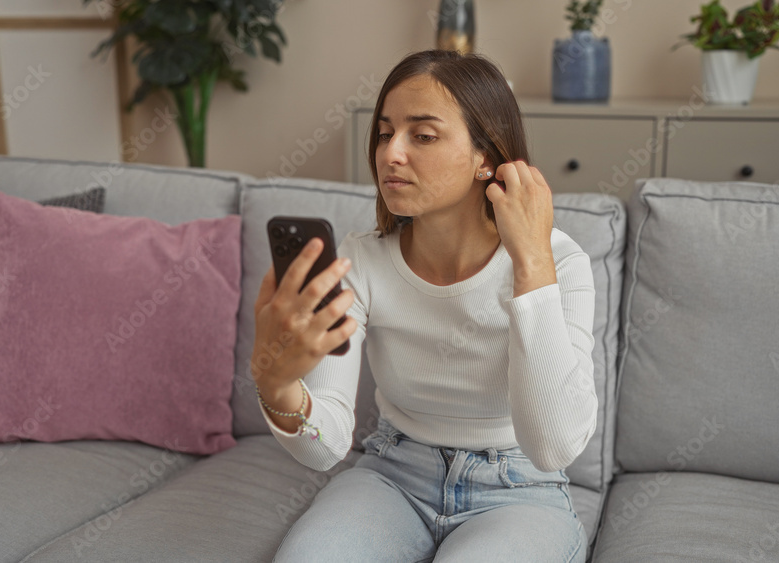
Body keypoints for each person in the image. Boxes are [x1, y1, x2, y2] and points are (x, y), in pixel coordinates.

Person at [251, 48, 597, 562]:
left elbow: (552, 448)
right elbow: (326, 448)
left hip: (518, 489)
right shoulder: (362, 261)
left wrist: (531, 263)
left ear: (486, 157)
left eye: (424, 135)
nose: (391, 153)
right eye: (386, 132)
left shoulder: (560, 264)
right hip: (392, 474)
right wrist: (277, 384)